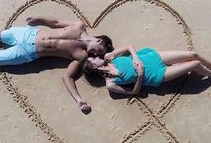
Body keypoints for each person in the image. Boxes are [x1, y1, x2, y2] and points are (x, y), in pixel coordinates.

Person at [0, 16, 113, 112]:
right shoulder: (78, 26)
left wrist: (78, 99)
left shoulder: (81, 55)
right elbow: (56, 22)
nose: (95, 54)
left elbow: (67, 77)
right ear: (100, 40)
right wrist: (39, 19)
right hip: (28, 34)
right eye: (99, 50)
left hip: (28, 51)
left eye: (98, 54)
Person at [83, 45, 211, 96]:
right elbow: (133, 92)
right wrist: (139, 75)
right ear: (94, 67)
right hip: (156, 75)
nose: (96, 57)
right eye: (93, 59)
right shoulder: (110, 84)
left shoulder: (108, 57)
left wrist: (134, 58)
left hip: (153, 58)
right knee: (195, 64)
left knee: (193, 54)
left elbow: (128, 47)